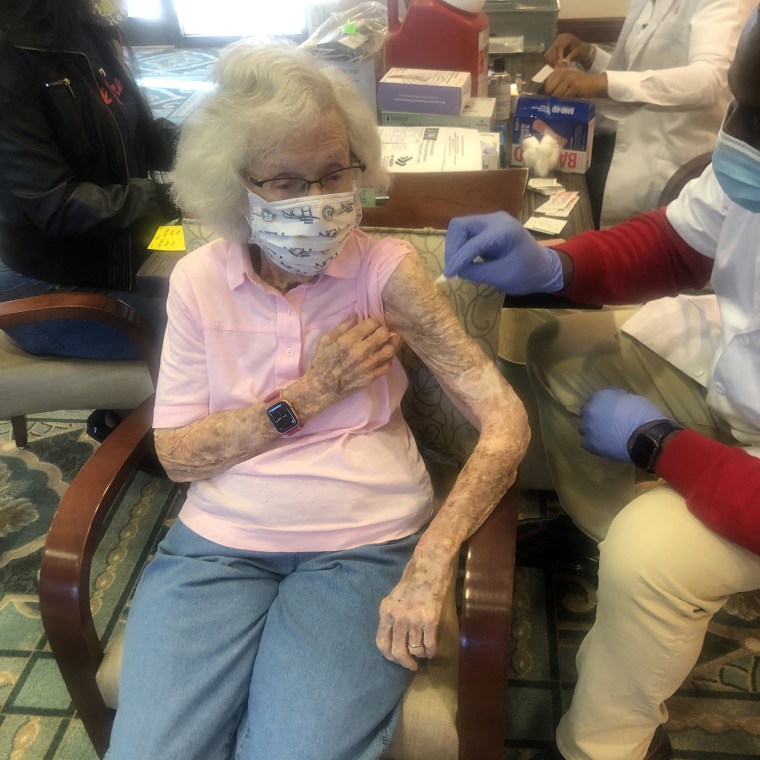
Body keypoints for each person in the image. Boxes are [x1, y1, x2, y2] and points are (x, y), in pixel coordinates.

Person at [104, 39, 529, 760]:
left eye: (334, 173)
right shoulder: (200, 280)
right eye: (285, 181)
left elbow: (505, 421)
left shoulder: (384, 273)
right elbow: (175, 456)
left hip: (362, 545)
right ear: (235, 185)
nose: (318, 203)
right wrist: (307, 396)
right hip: (219, 549)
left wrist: (430, 564)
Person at [444, 5, 760, 758]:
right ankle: (607, 543)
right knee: (567, 345)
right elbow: (681, 239)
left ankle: (602, 743)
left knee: (651, 556)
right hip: (740, 385)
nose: (739, 132)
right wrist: (559, 265)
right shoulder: (750, 158)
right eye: (745, 106)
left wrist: (661, 445)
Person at [0, 0, 177, 363]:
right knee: (228, 326)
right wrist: (174, 195)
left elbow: (137, 135)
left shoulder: (83, 25)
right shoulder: (11, 52)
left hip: (119, 257)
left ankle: (121, 414)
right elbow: (57, 205)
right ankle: (128, 416)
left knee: (236, 288)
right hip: (50, 288)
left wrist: (219, 147)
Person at [541, 0, 753, 228]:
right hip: (625, 146)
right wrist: (589, 56)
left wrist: (601, 83)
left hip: (671, 168)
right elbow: (636, 75)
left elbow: (711, 80)